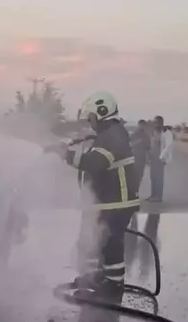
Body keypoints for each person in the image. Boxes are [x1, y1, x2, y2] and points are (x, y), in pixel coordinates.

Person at [56, 91, 140, 297]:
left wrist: (66, 155)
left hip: (116, 203)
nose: (90, 121)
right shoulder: (110, 133)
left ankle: (114, 284)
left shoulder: (111, 136)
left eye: (91, 117)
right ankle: (104, 277)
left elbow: (96, 163)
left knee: (111, 242)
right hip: (109, 201)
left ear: (102, 113)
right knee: (103, 240)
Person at [148, 115, 173, 202]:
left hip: (160, 159)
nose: (156, 124)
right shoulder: (154, 132)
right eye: (154, 122)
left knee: (158, 178)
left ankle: (158, 197)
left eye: (157, 122)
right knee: (153, 177)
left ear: (161, 123)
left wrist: (161, 157)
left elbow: (168, 146)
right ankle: (153, 195)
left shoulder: (167, 132)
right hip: (153, 158)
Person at [130, 119, 151, 194]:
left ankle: (135, 191)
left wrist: (148, 159)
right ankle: (134, 192)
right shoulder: (135, 134)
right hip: (135, 158)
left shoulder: (143, 135)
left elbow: (148, 148)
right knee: (136, 176)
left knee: (138, 176)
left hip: (138, 158)